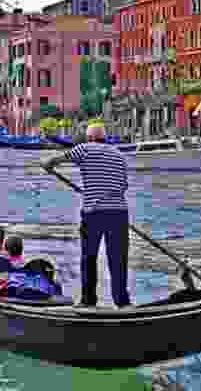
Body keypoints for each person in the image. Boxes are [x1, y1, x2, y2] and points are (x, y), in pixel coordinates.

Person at [41, 122, 131, 308]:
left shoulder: (84, 149)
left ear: (89, 138)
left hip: (94, 212)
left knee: (89, 258)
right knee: (118, 260)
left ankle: (88, 300)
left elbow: (56, 160)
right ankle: (122, 302)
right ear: (104, 138)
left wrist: (47, 165)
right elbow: (123, 185)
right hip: (119, 212)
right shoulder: (119, 155)